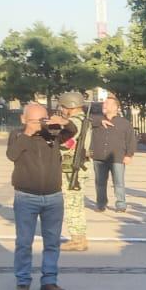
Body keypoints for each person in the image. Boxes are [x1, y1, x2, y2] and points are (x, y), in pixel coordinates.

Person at [8, 103, 73, 290]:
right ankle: (22, 281)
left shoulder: (52, 135)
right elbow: (11, 155)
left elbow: (72, 131)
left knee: (52, 242)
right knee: (24, 242)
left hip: (53, 197)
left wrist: (63, 122)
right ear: (23, 119)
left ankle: (49, 281)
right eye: (35, 120)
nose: (39, 124)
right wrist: (28, 132)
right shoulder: (17, 135)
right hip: (26, 197)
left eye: (43, 119)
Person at [55, 91, 90, 251]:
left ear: (70, 106)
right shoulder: (84, 120)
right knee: (75, 203)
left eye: (63, 107)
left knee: (72, 204)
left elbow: (68, 138)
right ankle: (79, 237)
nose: (61, 109)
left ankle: (78, 239)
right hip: (78, 166)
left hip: (73, 168)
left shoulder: (75, 122)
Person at [90, 94, 136, 212]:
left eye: (108, 103)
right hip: (99, 157)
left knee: (118, 183)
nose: (104, 105)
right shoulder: (97, 120)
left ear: (116, 107)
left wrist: (129, 155)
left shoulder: (124, 123)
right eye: (104, 103)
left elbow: (131, 140)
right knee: (100, 183)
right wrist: (100, 121)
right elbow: (86, 120)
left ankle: (121, 204)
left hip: (117, 158)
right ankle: (101, 204)